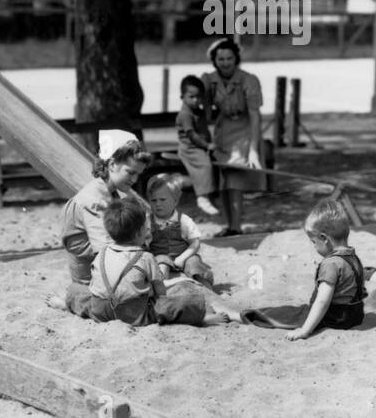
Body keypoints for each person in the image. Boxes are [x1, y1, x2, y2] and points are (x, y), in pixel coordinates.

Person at [47, 199, 235, 327]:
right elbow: (161, 293)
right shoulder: (145, 257)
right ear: (139, 234)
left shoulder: (102, 252)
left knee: (76, 290)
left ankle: (67, 304)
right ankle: (204, 318)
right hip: (133, 314)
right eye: (146, 229)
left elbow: (96, 283)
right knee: (171, 306)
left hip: (100, 311)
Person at [60, 131, 152, 286]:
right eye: (130, 172)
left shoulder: (112, 192)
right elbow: (105, 253)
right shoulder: (94, 201)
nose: (135, 180)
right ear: (111, 164)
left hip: (108, 265)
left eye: (138, 175)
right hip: (91, 279)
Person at [201, 37, 264, 236]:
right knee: (224, 180)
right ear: (214, 61)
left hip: (244, 130)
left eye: (229, 58)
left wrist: (253, 150)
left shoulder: (249, 80)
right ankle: (229, 225)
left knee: (235, 181)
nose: (225, 63)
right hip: (222, 132)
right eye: (221, 59)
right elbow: (204, 111)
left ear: (236, 59)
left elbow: (255, 116)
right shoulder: (209, 80)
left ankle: (236, 227)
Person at [287, 198, 367, 340]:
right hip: (355, 316)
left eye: (314, 242)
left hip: (336, 318)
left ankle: (240, 316)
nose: (313, 246)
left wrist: (305, 330)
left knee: (285, 314)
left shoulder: (331, 264)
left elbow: (322, 301)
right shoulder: (353, 258)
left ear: (324, 238)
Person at [145, 174, 214, 286]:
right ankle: (162, 285)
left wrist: (183, 257)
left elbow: (195, 243)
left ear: (175, 201)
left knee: (194, 263)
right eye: (153, 200)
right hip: (160, 257)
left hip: (184, 256)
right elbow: (143, 244)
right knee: (161, 262)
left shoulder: (183, 220)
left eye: (162, 199)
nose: (158, 204)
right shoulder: (148, 221)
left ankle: (204, 285)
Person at [175, 75, 219, 216]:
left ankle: (212, 195)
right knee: (205, 165)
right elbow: (192, 135)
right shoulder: (185, 115)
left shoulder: (197, 111)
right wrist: (207, 145)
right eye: (191, 97)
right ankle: (202, 197)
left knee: (216, 165)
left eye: (199, 97)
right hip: (191, 148)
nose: (196, 100)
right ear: (182, 96)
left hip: (200, 146)